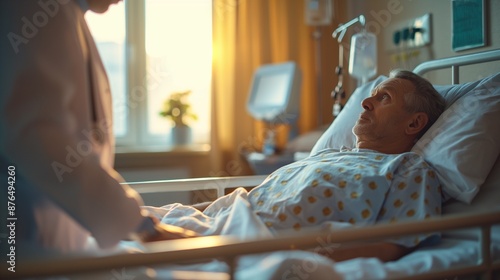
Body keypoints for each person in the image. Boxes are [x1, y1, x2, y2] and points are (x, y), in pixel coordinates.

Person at [179, 69, 447, 262]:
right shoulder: (329, 154)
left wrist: (302, 261)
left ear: (413, 123)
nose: (366, 102)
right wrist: (183, 213)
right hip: (223, 222)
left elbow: (394, 245)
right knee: (150, 218)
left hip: (256, 247)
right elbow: (250, 199)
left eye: (384, 98)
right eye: (372, 96)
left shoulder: (408, 168)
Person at [0, 0, 196, 256]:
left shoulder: (68, 15)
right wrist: (141, 226)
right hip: (24, 243)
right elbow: (35, 137)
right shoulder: (34, 9)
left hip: (52, 238)